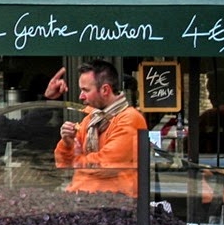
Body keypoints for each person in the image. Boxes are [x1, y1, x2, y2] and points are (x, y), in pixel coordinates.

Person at [46, 60, 148, 198]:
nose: (80, 96)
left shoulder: (130, 119)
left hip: (115, 204)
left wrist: (78, 159)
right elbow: (63, 163)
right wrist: (67, 143)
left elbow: (105, 165)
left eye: (86, 90)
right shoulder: (91, 119)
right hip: (82, 199)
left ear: (105, 90)